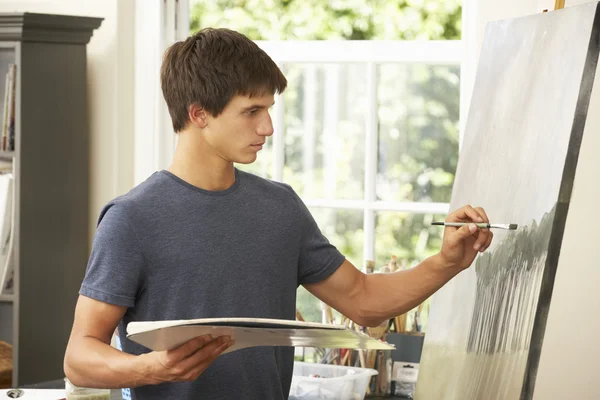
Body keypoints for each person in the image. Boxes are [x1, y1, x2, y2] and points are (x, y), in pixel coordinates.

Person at [63, 28, 493, 400]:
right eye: (252, 111)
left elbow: (364, 301)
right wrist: (153, 369)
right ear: (199, 114)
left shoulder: (280, 207)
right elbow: (80, 357)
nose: (268, 127)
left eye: (268, 109)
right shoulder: (132, 219)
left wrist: (447, 262)